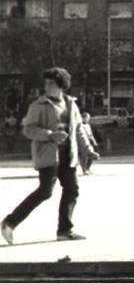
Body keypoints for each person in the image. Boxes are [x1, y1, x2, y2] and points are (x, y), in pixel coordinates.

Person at [2, 67, 99, 245]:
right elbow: (28, 129)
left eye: (51, 83)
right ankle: (9, 222)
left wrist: (87, 150)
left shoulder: (71, 104)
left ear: (61, 85)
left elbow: (78, 129)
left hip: (67, 155)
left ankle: (65, 230)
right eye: (45, 83)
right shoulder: (39, 105)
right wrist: (49, 135)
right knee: (45, 191)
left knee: (72, 189)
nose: (47, 86)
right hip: (48, 155)